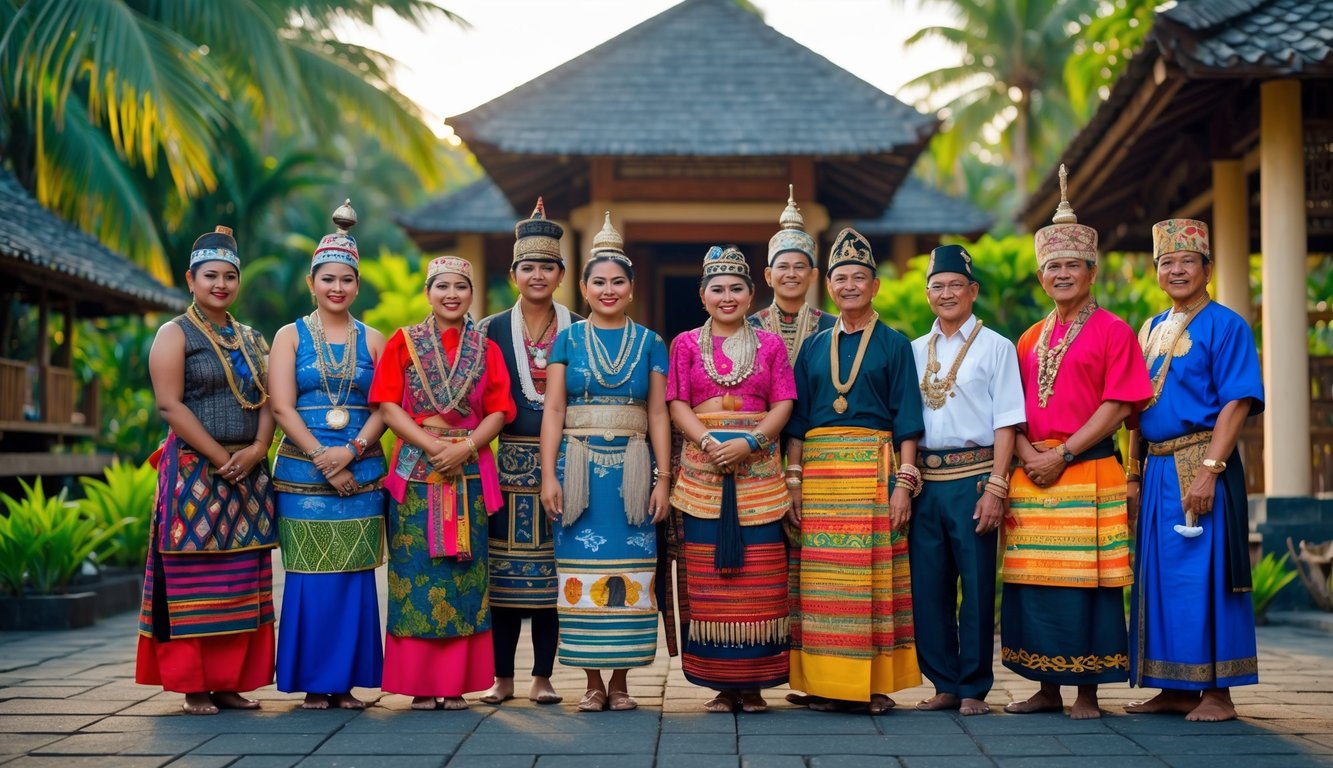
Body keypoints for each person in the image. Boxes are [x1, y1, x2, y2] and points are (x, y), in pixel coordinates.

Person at [1002, 166, 1153, 719]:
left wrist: (1061, 454)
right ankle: (1045, 687)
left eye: (1072, 265)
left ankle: (1087, 690)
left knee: (1089, 584)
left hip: (1087, 470)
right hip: (1032, 473)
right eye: (1053, 267)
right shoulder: (1028, 337)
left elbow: (1118, 405)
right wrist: (1026, 456)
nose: (1062, 274)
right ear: (1042, 277)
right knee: (1035, 583)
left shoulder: (1114, 329)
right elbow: (1010, 411)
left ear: (1091, 271)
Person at [1124, 219, 1263, 722]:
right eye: (1167, 262)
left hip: (1201, 462)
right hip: (1156, 467)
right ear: (1157, 271)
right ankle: (1173, 687)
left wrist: (1210, 470)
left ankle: (1218, 692)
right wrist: (1133, 476)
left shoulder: (1226, 324)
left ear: (1208, 268)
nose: (1176, 269)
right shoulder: (1150, 328)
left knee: (1207, 577)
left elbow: (1237, 402)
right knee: (1160, 580)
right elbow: (1135, 409)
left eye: (1187, 261)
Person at [784, 227, 924, 715]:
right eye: (840, 277)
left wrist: (904, 484)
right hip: (820, 478)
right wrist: (793, 480)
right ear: (829, 286)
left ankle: (872, 686)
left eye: (859, 277)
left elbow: (908, 421)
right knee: (820, 586)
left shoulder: (895, 345)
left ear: (875, 284)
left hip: (872, 473)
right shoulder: (813, 347)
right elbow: (798, 424)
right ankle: (822, 682)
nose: (849, 286)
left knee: (872, 583)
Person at [137, 225, 277, 716]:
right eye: (211, 275)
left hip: (248, 470)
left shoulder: (252, 338)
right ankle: (193, 684)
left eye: (229, 276)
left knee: (241, 575)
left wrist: (259, 447)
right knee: (194, 575)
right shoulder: (173, 334)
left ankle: (228, 682)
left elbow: (268, 398)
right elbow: (169, 406)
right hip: (195, 471)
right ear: (191, 279)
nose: (221, 284)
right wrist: (222, 459)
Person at [369, 255, 516, 710]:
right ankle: (419, 682)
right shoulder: (403, 343)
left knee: (466, 578)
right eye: (442, 286)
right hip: (417, 466)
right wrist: (433, 446)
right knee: (412, 574)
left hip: (467, 469)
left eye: (461, 286)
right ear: (428, 292)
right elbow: (387, 404)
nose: (452, 294)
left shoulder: (485, 348)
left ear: (472, 294)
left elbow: (498, 409)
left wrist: (466, 446)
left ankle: (454, 683)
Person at [539, 213, 672, 713]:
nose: (608, 289)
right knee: (579, 570)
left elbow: (657, 413)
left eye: (618, 281)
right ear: (584, 287)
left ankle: (621, 682)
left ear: (632, 289)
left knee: (634, 574)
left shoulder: (652, 342)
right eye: (599, 281)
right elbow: (554, 409)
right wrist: (549, 473)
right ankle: (592, 682)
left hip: (632, 470)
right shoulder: (568, 339)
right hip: (579, 470)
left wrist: (663, 478)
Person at [667, 245, 795, 714]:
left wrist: (753, 443)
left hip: (758, 476)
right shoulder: (684, 344)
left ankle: (756, 682)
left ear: (750, 293)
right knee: (708, 580)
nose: (727, 297)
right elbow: (676, 401)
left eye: (735, 289)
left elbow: (784, 403)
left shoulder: (771, 344)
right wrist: (706, 442)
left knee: (761, 578)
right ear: (703, 296)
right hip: (702, 476)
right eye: (717, 289)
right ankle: (720, 683)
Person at [269, 201, 387, 710]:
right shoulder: (289, 336)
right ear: (312, 282)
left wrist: (353, 451)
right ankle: (315, 682)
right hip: (303, 472)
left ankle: (346, 683)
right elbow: (280, 405)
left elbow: (387, 407)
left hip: (360, 470)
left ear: (357, 285)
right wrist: (323, 457)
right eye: (328, 280)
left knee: (355, 579)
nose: (337, 288)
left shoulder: (376, 340)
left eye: (346, 280)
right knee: (310, 577)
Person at [909, 244, 1025, 717]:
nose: (947, 293)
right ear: (928, 293)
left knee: (976, 586)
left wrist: (998, 485)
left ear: (973, 291)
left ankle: (974, 686)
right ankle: (944, 682)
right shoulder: (915, 349)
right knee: (929, 585)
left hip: (976, 477)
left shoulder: (997, 346)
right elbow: (907, 422)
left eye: (956, 285)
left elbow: (1007, 423)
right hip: (926, 482)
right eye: (938, 286)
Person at [476, 199, 580, 706]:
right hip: (506, 466)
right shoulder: (489, 330)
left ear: (561, 274)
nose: (537, 274)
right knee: (504, 575)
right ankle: (503, 677)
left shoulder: (579, 329)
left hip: (565, 465)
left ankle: (543, 675)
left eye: (547, 266)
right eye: (527, 266)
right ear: (513, 272)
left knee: (551, 574)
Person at [748, 186, 836, 365]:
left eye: (799, 267)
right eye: (783, 267)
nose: (791, 274)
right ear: (768, 276)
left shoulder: (832, 328)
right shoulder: (749, 328)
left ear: (813, 275)